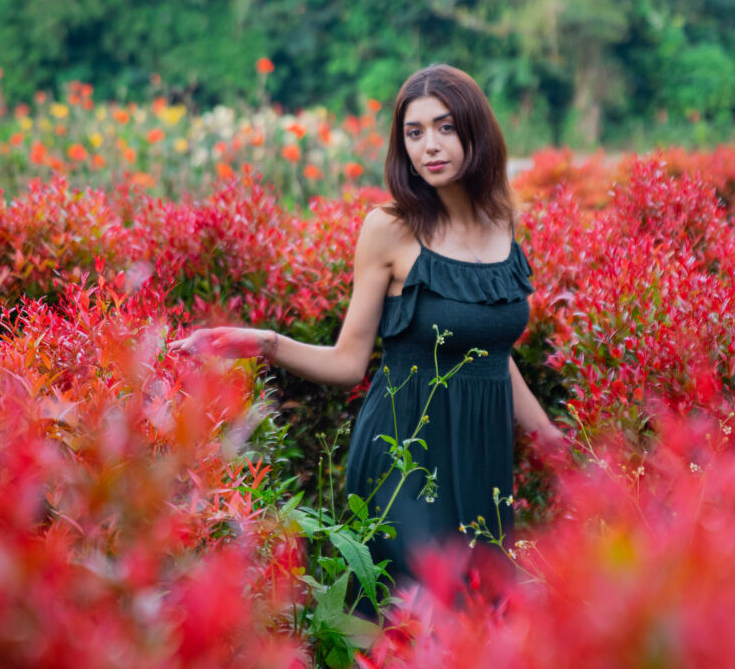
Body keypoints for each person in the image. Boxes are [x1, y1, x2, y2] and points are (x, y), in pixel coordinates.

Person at [169, 63, 563, 592]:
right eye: (414, 133)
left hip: (481, 461)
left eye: (446, 127)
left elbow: (488, 350)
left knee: (476, 629)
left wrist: (551, 440)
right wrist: (261, 343)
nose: (430, 146)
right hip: (405, 452)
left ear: (477, 131)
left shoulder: (503, 226)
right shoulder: (390, 229)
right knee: (424, 613)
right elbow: (348, 362)